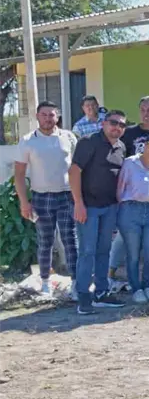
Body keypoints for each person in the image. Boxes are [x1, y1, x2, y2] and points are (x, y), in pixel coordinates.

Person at [14, 101, 78, 296]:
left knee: (70, 240)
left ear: (57, 117)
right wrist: (24, 202)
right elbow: (19, 174)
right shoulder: (27, 140)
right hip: (41, 198)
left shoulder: (68, 137)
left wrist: (79, 197)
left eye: (52, 115)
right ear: (37, 116)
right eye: (44, 114)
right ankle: (44, 282)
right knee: (45, 241)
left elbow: (76, 168)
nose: (48, 119)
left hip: (67, 195)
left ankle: (76, 283)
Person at [69, 109, 127, 314]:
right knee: (87, 252)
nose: (117, 127)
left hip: (110, 207)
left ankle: (101, 293)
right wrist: (78, 203)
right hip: (88, 207)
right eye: (113, 123)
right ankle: (83, 296)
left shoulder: (121, 147)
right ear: (104, 123)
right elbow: (74, 171)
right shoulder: (88, 142)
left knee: (104, 251)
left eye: (122, 125)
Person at [116, 131, 149, 304]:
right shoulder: (130, 163)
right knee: (133, 254)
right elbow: (120, 188)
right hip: (130, 210)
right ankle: (136, 288)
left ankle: (147, 286)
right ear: (144, 145)